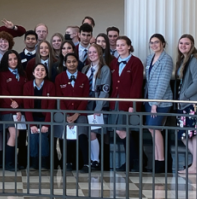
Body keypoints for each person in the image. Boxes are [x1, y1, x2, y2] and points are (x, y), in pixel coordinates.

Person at [110, 36, 146, 172]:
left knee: (122, 130)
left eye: (123, 45)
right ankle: (139, 159)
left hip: (128, 103)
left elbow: (137, 85)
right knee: (120, 131)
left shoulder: (136, 62)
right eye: (118, 45)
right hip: (115, 101)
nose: (120, 48)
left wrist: (133, 104)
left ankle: (133, 161)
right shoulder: (113, 63)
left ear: (129, 46)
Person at [55, 52, 91, 171]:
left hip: (80, 113)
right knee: (65, 136)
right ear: (65, 64)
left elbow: (85, 97)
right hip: (64, 113)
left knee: (82, 136)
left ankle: (86, 163)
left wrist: (76, 114)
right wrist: (67, 115)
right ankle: (67, 162)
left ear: (78, 63)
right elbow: (58, 98)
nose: (71, 64)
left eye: (74, 61)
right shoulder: (59, 78)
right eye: (69, 62)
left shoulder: (83, 77)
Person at [144, 34, 174, 172]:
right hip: (150, 99)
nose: (154, 45)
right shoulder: (149, 58)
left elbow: (163, 83)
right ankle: (156, 159)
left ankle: (161, 161)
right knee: (152, 129)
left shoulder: (166, 59)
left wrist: (155, 103)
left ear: (163, 43)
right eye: (152, 42)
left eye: (157, 42)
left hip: (162, 101)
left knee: (155, 128)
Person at [84, 44, 113, 172]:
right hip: (87, 103)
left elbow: (105, 90)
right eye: (89, 52)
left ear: (100, 53)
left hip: (97, 103)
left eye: (94, 52)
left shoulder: (104, 69)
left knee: (93, 133)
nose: (91, 54)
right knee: (87, 132)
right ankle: (89, 159)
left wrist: (99, 107)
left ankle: (95, 160)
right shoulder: (85, 68)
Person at [23, 63, 56, 171]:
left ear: (46, 73)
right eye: (37, 70)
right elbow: (27, 107)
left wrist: (46, 124)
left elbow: (51, 107)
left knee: (43, 137)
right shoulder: (27, 86)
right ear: (33, 73)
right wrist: (31, 124)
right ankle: (33, 163)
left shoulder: (50, 85)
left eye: (42, 70)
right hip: (32, 118)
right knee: (33, 138)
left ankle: (44, 163)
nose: (40, 72)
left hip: (45, 118)